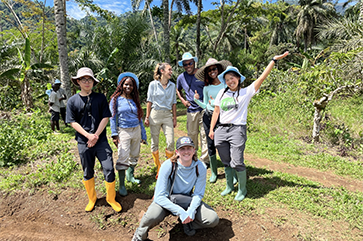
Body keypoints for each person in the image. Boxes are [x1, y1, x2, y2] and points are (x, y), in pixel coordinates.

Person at [209, 52, 289, 201]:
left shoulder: (246, 92)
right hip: (221, 129)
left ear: (238, 78)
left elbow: (262, 78)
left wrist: (273, 60)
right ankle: (229, 186)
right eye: (227, 79)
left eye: (232, 78)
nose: (230, 81)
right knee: (225, 160)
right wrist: (212, 129)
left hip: (237, 129)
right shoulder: (222, 93)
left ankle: (242, 189)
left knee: (237, 160)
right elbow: (216, 111)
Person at [132, 136, 219, 241]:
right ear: (177, 152)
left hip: (186, 200)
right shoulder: (168, 166)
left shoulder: (200, 167)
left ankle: (188, 223)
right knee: (151, 216)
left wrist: (191, 211)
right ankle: (140, 235)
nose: (186, 152)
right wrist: (180, 212)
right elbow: (159, 197)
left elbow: (198, 194)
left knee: (212, 219)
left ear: (194, 150)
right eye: (182, 149)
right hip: (166, 200)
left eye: (189, 148)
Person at [66, 67, 121, 212]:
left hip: (101, 141)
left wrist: (95, 135)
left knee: (109, 168)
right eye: (83, 79)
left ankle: (111, 198)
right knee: (87, 170)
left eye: (89, 79)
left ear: (93, 81)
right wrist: (88, 136)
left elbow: (105, 117)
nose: (87, 82)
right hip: (84, 142)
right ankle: (92, 198)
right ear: (78, 82)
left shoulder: (100, 98)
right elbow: (72, 122)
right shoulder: (72, 101)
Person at [109, 72, 147, 196]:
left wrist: (143, 134)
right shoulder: (115, 100)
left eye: (131, 85)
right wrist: (114, 134)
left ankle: (130, 176)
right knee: (123, 155)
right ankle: (122, 185)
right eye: (126, 84)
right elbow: (112, 118)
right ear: (121, 85)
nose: (128, 87)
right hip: (123, 131)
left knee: (135, 154)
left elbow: (139, 117)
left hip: (136, 129)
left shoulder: (135, 100)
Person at [194, 58, 231, 183]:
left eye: (214, 69)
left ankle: (231, 173)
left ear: (219, 70)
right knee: (210, 144)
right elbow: (205, 105)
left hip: (222, 117)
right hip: (208, 117)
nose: (212, 72)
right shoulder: (206, 88)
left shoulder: (225, 85)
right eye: (209, 70)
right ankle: (214, 173)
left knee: (225, 144)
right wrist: (196, 100)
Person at [176, 52, 209, 167]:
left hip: (205, 109)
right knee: (192, 135)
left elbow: (210, 87)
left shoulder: (202, 74)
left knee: (205, 135)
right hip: (191, 111)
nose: (188, 66)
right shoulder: (181, 77)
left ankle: (205, 160)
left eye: (190, 63)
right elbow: (178, 90)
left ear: (194, 63)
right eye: (185, 64)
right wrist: (183, 101)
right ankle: (193, 157)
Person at [144, 63, 177, 178]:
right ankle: (158, 167)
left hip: (167, 115)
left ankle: (168, 167)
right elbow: (149, 101)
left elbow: (174, 102)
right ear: (162, 71)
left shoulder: (172, 86)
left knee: (170, 142)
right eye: (169, 69)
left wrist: (174, 117)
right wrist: (147, 116)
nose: (171, 72)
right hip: (155, 114)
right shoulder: (153, 85)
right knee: (155, 143)